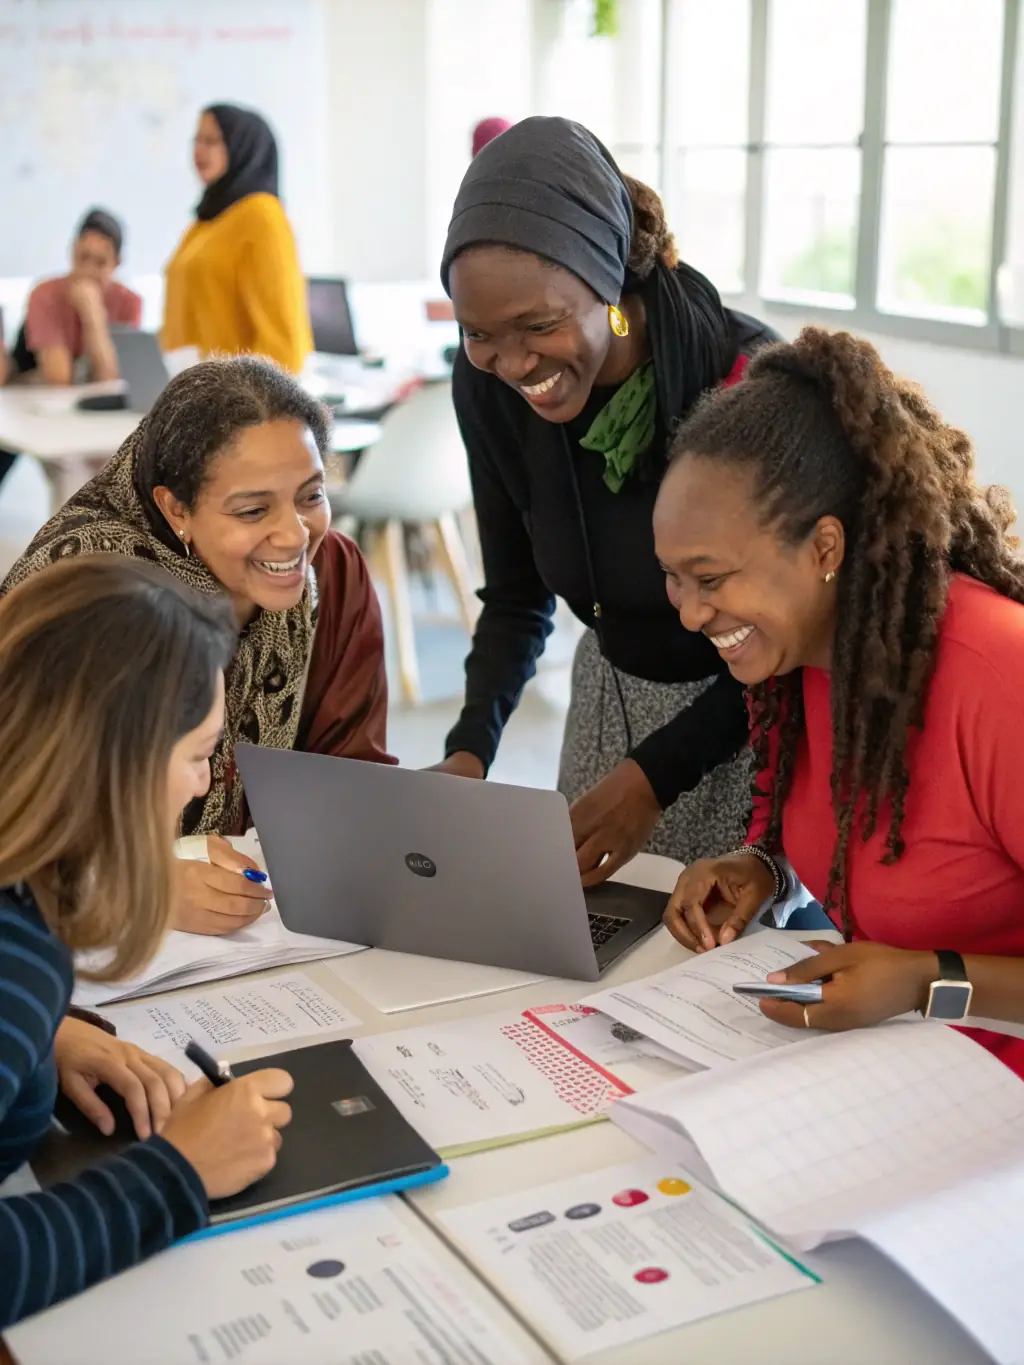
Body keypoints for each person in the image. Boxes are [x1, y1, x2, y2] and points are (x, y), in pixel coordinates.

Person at [655, 326, 1024, 1079]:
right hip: (890, 1078)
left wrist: (930, 981)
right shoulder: (807, 663)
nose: (690, 614)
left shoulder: (998, 674)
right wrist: (763, 866)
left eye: (711, 577)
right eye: (673, 578)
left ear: (825, 549)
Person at [435, 116, 777, 884]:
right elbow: (519, 597)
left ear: (612, 289)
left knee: (704, 974)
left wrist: (653, 775)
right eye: (478, 332)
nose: (514, 363)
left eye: (540, 325)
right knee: (580, 963)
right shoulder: (488, 386)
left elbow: (798, 635)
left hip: (752, 723)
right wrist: (469, 749)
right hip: (606, 705)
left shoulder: (746, 385)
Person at [0, 556, 294, 1330]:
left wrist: (46, 1040)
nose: (202, 787)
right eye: (199, 753)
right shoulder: (17, 955)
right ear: (119, 766)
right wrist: (180, 1172)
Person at [3, 355, 394, 937]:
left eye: (311, 495)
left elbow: (348, 780)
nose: (295, 534)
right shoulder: (93, 596)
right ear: (175, 508)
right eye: (253, 509)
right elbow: (21, 816)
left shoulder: (331, 574)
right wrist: (131, 884)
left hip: (264, 936)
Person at [162, 104, 312, 373]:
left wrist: (245, 404)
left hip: (239, 402)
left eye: (212, 141)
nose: (200, 150)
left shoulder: (261, 215)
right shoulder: (205, 222)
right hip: (193, 394)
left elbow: (282, 341)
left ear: (241, 147)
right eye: (197, 140)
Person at [9, 208, 142, 385]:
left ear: (117, 263)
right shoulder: (45, 295)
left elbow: (113, 380)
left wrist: (93, 316)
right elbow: (58, 377)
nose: (88, 271)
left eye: (100, 262)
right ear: (73, 251)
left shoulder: (129, 302)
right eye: (83, 258)